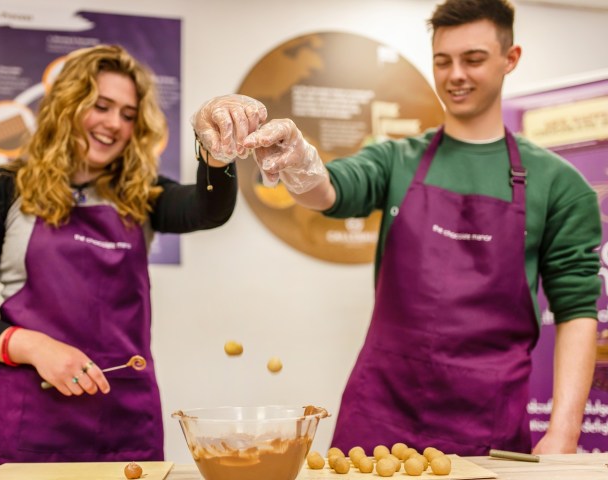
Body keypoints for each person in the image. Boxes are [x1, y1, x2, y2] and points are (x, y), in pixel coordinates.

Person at [200, 0, 601, 455]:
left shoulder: (559, 184)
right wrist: (302, 164)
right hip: (380, 412)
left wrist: (564, 433)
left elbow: (576, 311)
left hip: (486, 419)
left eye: (473, 60)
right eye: (442, 61)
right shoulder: (397, 160)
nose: (455, 76)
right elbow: (329, 191)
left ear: (511, 59)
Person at [0, 44, 265, 464]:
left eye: (128, 115)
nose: (114, 124)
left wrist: (217, 151)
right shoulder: (4, 188)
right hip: (28, 423)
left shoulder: (142, 195)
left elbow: (209, 210)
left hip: (126, 426)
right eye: (101, 106)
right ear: (67, 106)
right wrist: (36, 347)